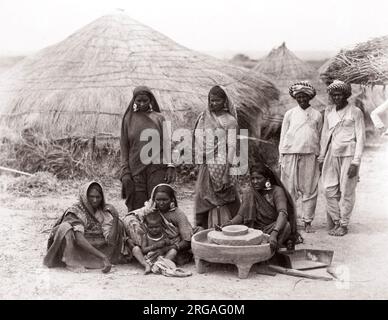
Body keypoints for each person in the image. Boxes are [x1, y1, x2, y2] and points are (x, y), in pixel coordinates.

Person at [43, 181, 131, 273]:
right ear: (85, 197)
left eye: (98, 197)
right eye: (91, 197)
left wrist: (116, 217)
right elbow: (79, 239)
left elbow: (111, 241)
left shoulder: (102, 212)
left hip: (91, 244)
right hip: (73, 244)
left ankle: (90, 260)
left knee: (118, 225)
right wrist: (103, 256)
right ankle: (71, 261)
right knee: (66, 228)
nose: (95, 200)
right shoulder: (75, 211)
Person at [318, 80, 366, 236]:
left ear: (346, 95)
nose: (337, 97)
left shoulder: (355, 111)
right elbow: (325, 136)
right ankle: (337, 220)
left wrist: (356, 162)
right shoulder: (329, 112)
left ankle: (344, 224)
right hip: (332, 154)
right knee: (328, 190)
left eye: (340, 94)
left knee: (347, 191)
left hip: (349, 154)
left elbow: (361, 137)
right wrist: (321, 157)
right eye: (334, 95)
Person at [120, 86, 176, 212]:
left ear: (151, 100)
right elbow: (124, 146)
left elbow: (167, 143)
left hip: (157, 167)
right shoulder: (128, 119)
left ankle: (162, 231)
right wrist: (125, 171)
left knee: (158, 203)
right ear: (134, 101)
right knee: (139, 207)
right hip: (136, 169)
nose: (142, 104)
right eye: (138, 101)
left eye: (145, 100)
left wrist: (170, 166)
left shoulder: (159, 118)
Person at [193, 85, 241, 229]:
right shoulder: (204, 117)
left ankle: (235, 226)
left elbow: (232, 146)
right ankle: (202, 228)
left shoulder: (230, 121)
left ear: (224, 101)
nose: (213, 104)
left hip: (221, 164)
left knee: (227, 196)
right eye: (211, 100)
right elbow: (197, 138)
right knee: (202, 197)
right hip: (206, 163)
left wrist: (227, 171)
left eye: (217, 100)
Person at [222, 163, 299, 252]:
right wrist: (230, 224)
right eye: (252, 178)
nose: (255, 181)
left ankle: (273, 250)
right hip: (253, 229)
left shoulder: (276, 191)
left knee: (286, 226)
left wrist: (274, 233)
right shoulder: (249, 192)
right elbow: (241, 215)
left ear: (267, 179)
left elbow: (283, 214)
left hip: (271, 228)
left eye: (258, 178)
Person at [279, 81, 323, 233]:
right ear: (295, 98)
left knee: (309, 188)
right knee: (289, 188)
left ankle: (307, 221)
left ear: (309, 97)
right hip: (290, 153)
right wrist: (281, 155)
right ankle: (290, 220)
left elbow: (320, 135)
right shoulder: (289, 114)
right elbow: (283, 135)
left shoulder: (317, 114)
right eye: (299, 97)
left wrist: (320, 156)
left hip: (310, 154)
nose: (302, 99)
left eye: (304, 96)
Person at [123, 184, 201, 266]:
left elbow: (187, 240)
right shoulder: (149, 210)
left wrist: (165, 249)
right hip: (152, 243)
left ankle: (162, 261)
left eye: (165, 200)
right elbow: (128, 218)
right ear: (154, 199)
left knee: (198, 232)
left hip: (171, 245)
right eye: (158, 200)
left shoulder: (178, 214)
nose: (161, 203)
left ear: (172, 199)